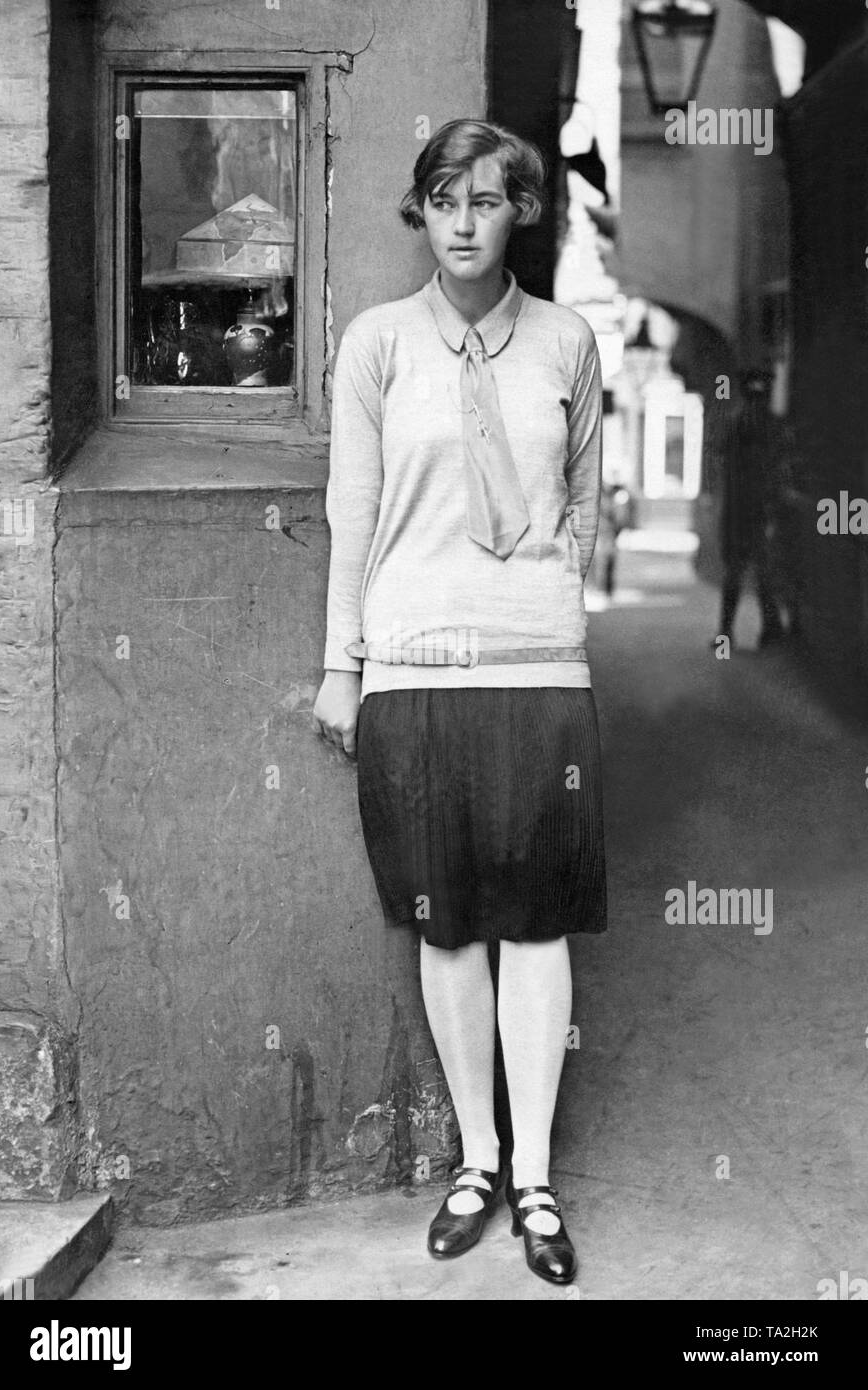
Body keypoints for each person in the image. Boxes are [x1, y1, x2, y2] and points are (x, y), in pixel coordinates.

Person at [312, 119, 608, 1287]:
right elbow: (354, 510)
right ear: (423, 212)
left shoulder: (569, 342)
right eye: (446, 200)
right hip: (415, 665)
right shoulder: (378, 345)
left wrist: (550, 602)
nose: (468, 221)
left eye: (490, 200)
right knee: (449, 923)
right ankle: (475, 1161)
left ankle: (536, 1175)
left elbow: (585, 492)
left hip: (537, 670)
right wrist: (346, 663)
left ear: (520, 211)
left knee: (535, 922)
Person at [715, 370, 786, 650]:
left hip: (740, 510)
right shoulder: (770, 425)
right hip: (757, 510)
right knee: (762, 573)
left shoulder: (737, 422)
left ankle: (728, 633)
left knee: (738, 573)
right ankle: (769, 631)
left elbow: (723, 460)